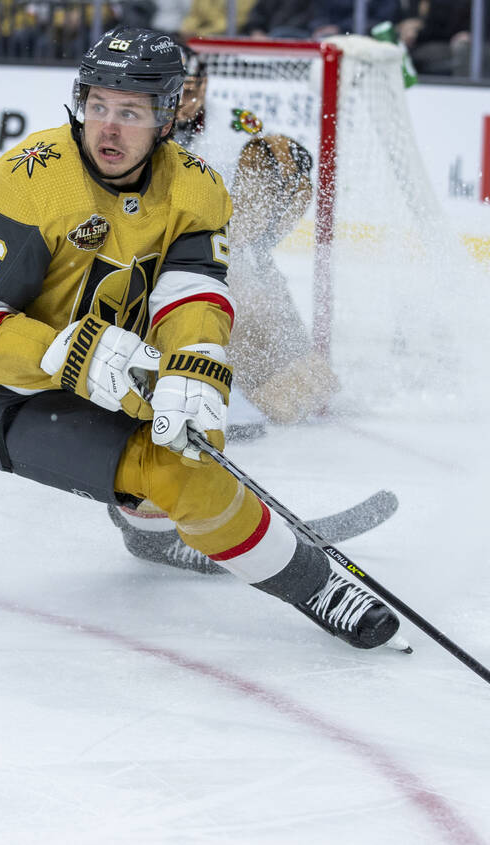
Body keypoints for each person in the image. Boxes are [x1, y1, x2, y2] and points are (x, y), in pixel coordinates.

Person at [0, 27, 405, 651]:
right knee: (186, 474)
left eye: (129, 112)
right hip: (9, 391)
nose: (108, 128)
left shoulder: (196, 187)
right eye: (98, 105)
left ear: (166, 115)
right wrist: (70, 352)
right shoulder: (33, 177)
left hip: (118, 358)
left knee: (196, 414)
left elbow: (192, 293)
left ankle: (153, 526)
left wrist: (195, 359)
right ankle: (318, 587)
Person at [110, 37, 337, 575]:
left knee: (306, 388)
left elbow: (265, 200)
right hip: (146, 273)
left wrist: (273, 194)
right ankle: (151, 505)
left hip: (222, 262)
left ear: (203, 86)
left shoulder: (237, 131)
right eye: (171, 89)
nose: (181, 98)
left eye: (190, 87)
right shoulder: (128, 132)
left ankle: (229, 396)